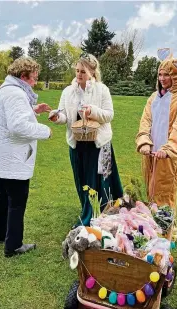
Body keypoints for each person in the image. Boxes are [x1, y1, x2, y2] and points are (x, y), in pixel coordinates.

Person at [0, 57, 52, 257]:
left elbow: (13, 117)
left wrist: (33, 111)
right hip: (10, 157)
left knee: (1, 195)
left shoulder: (8, 89)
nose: (35, 82)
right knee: (17, 200)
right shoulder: (15, 93)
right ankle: (13, 245)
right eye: (34, 78)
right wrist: (45, 131)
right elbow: (18, 126)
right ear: (23, 76)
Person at [49, 53, 123, 227]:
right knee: (82, 180)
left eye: (83, 71)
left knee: (100, 180)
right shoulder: (68, 91)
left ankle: (100, 214)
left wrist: (93, 111)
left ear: (92, 72)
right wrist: (56, 117)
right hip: (77, 144)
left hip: (99, 144)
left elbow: (109, 115)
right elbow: (65, 115)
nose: (79, 74)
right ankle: (87, 210)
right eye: (77, 71)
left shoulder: (102, 89)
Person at [136, 48, 177, 240]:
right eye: (160, 74)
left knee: (166, 194)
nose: (163, 78)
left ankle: (167, 235)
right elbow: (145, 121)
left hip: (168, 157)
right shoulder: (153, 98)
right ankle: (152, 229)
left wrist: (169, 149)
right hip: (151, 154)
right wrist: (144, 141)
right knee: (151, 190)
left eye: (167, 74)